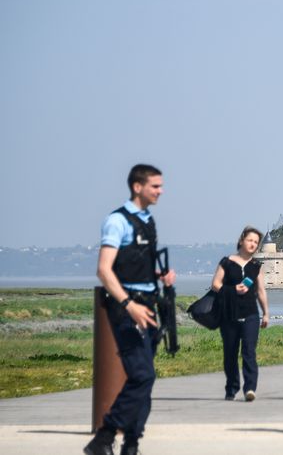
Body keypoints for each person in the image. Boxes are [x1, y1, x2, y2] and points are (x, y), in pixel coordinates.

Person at [85, 164, 177, 455]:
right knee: (142, 376)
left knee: (146, 380)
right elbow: (104, 270)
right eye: (155, 186)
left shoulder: (147, 220)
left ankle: (132, 444)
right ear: (138, 187)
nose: (161, 191)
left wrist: (160, 277)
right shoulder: (117, 221)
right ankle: (105, 435)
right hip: (128, 308)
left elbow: (138, 264)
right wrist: (128, 305)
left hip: (149, 304)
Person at [211, 226, 270, 401]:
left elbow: (261, 291)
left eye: (256, 242)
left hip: (251, 313)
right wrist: (233, 289)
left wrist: (266, 313)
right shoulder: (227, 262)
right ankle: (232, 387)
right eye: (250, 240)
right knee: (230, 353)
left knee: (249, 351)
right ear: (242, 240)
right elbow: (215, 284)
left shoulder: (256, 266)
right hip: (229, 314)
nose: (252, 244)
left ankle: (250, 388)